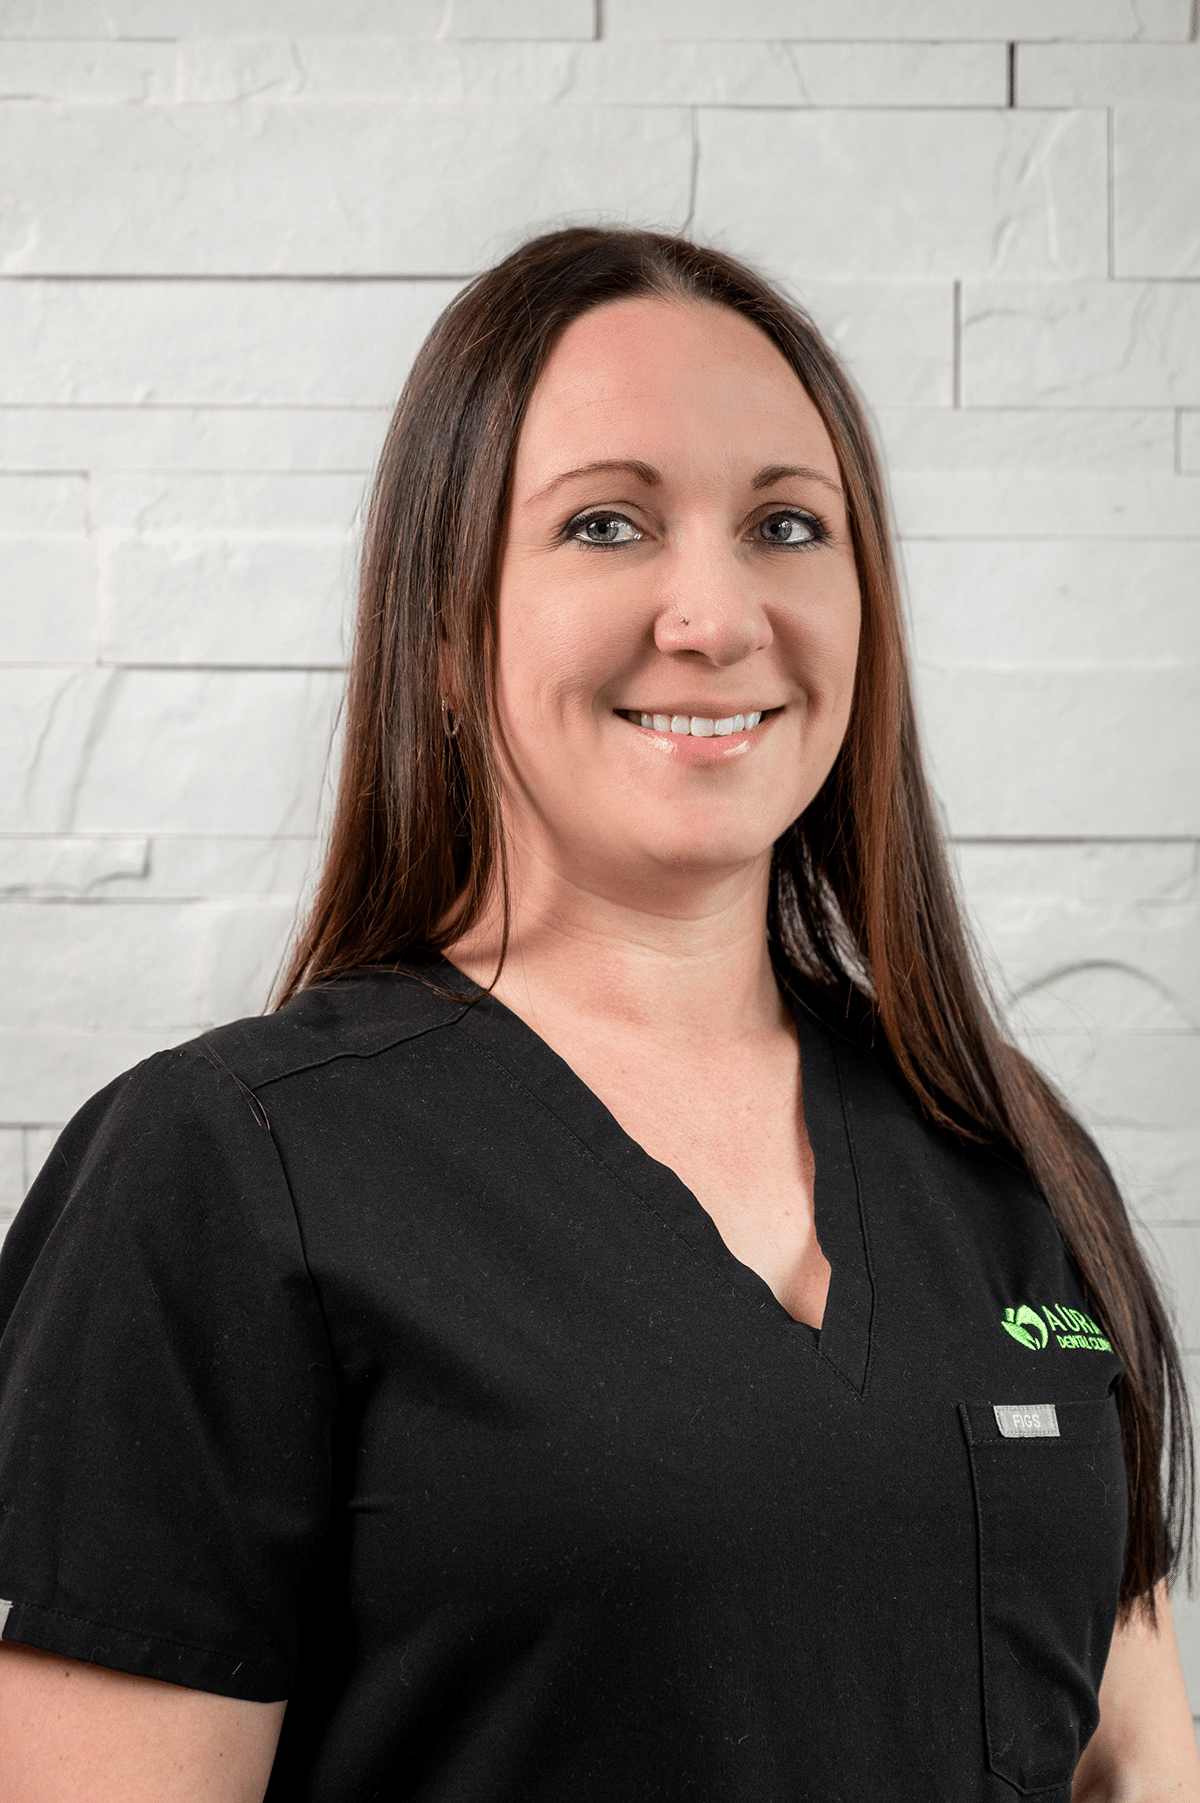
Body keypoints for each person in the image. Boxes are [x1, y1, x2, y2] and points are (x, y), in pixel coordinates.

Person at [0, 227, 1195, 1802]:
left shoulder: (1001, 1152)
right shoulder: (217, 1171)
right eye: (608, 523)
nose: (715, 614)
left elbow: (1132, 1758)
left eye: (785, 523)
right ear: (445, 635)